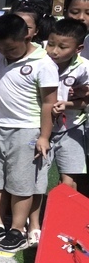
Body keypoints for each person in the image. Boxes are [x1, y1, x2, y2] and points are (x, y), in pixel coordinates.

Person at [0, 13, 58, 252]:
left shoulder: (44, 64)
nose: (6, 53)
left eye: (11, 48)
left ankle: (17, 229)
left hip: (27, 130)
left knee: (21, 183)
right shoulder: (0, 55)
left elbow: (49, 103)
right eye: (1, 48)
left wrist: (44, 136)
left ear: (27, 36)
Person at [44, 18, 89, 193]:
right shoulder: (40, 61)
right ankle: (36, 211)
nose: (54, 51)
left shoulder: (84, 68)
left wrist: (68, 105)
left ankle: (66, 209)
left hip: (71, 128)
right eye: (51, 44)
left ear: (78, 49)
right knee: (37, 177)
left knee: (69, 180)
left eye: (62, 47)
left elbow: (86, 99)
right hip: (40, 128)